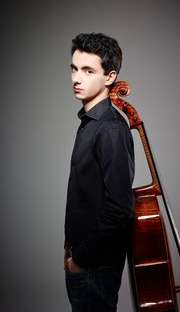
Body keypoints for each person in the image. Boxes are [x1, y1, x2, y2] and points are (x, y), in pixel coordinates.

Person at [64, 33, 135, 312]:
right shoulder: (90, 123)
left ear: (109, 77)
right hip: (82, 260)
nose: (76, 78)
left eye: (88, 70)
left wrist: (80, 258)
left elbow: (119, 208)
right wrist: (69, 249)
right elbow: (84, 198)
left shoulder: (111, 129)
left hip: (95, 265)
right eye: (73, 68)